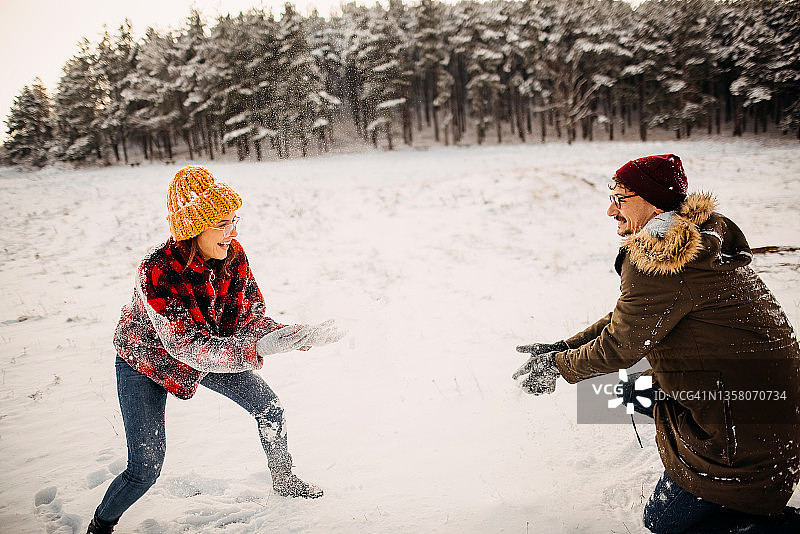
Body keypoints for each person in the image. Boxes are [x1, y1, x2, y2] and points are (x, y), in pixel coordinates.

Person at [513, 154, 800, 533]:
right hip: (769, 401)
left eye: (620, 198)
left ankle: (749, 512)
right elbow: (634, 318)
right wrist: (563, 347)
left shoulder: (664, 257)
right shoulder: (692, 235)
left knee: (663, 523)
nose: (610, 210)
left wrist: (557, 367)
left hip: (743, 427)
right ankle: (694, 471)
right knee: (628, 391)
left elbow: (620, 345)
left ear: (652, 200)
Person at [86, 166, 345, 534]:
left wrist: (295, 335)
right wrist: (257, 348)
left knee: (268, 406)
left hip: (211, 351)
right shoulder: (156, 268)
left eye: (234, 220)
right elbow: (184, 345)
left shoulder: (233, 255)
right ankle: (101, 524)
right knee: (145, 468)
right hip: (145, 362)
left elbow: (249, 317)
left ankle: (284, 479)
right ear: (194, 226)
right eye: (223, 222)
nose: (234, 231)